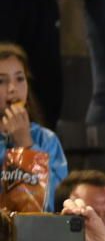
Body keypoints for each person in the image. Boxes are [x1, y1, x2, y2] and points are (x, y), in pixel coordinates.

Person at [0, 44, 66, 209]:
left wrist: (26, 146)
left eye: (20, 79)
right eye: (1, 81)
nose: (13, 89)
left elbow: (53, 204)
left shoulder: (46, 140)